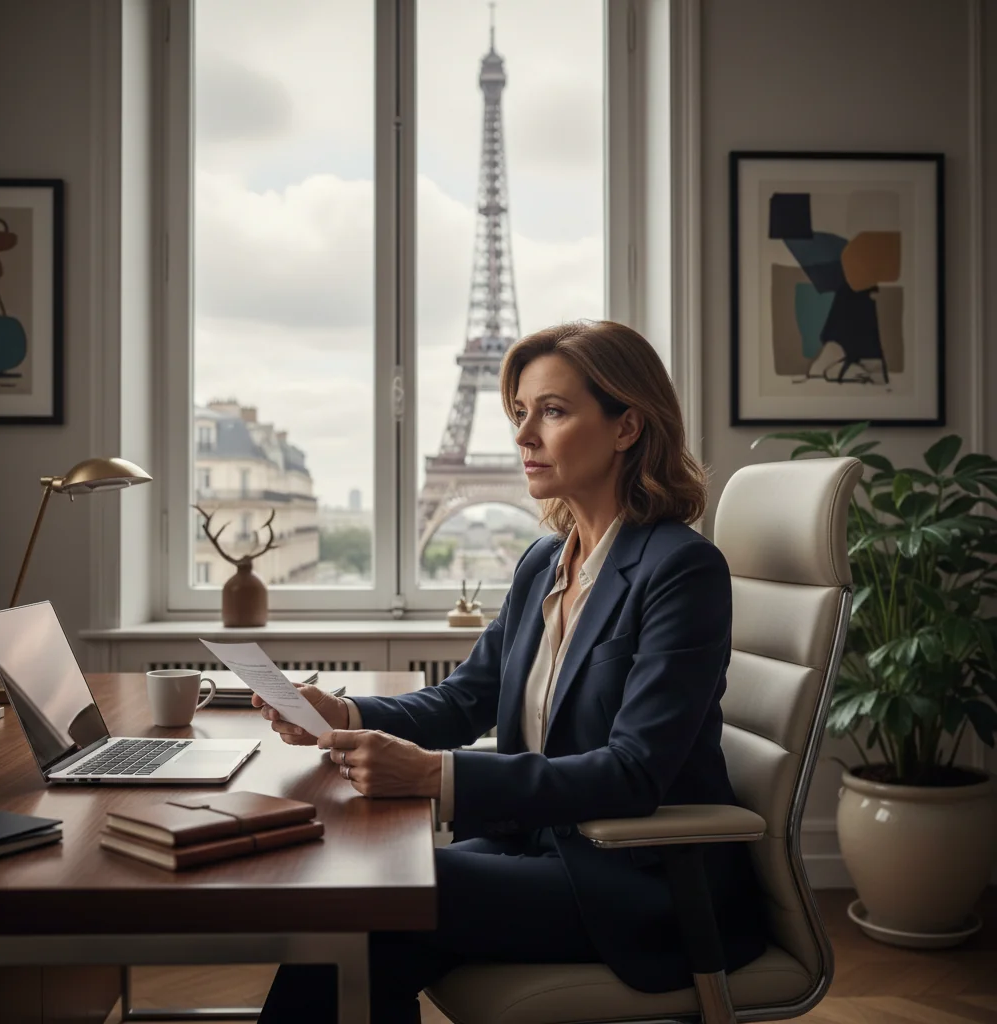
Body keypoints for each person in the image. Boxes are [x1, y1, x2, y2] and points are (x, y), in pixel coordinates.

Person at [254, 320, 767, 1022]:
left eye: (553, 412)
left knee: (373, 889)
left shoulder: (680, 569)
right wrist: (342, 715)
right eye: (520, 413)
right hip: (534, 849)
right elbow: (469, 697)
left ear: (627, 427)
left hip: (637, 884)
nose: (524, 435)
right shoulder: (542, 562)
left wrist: (438, 777)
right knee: (363, 943)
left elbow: (634, 772)